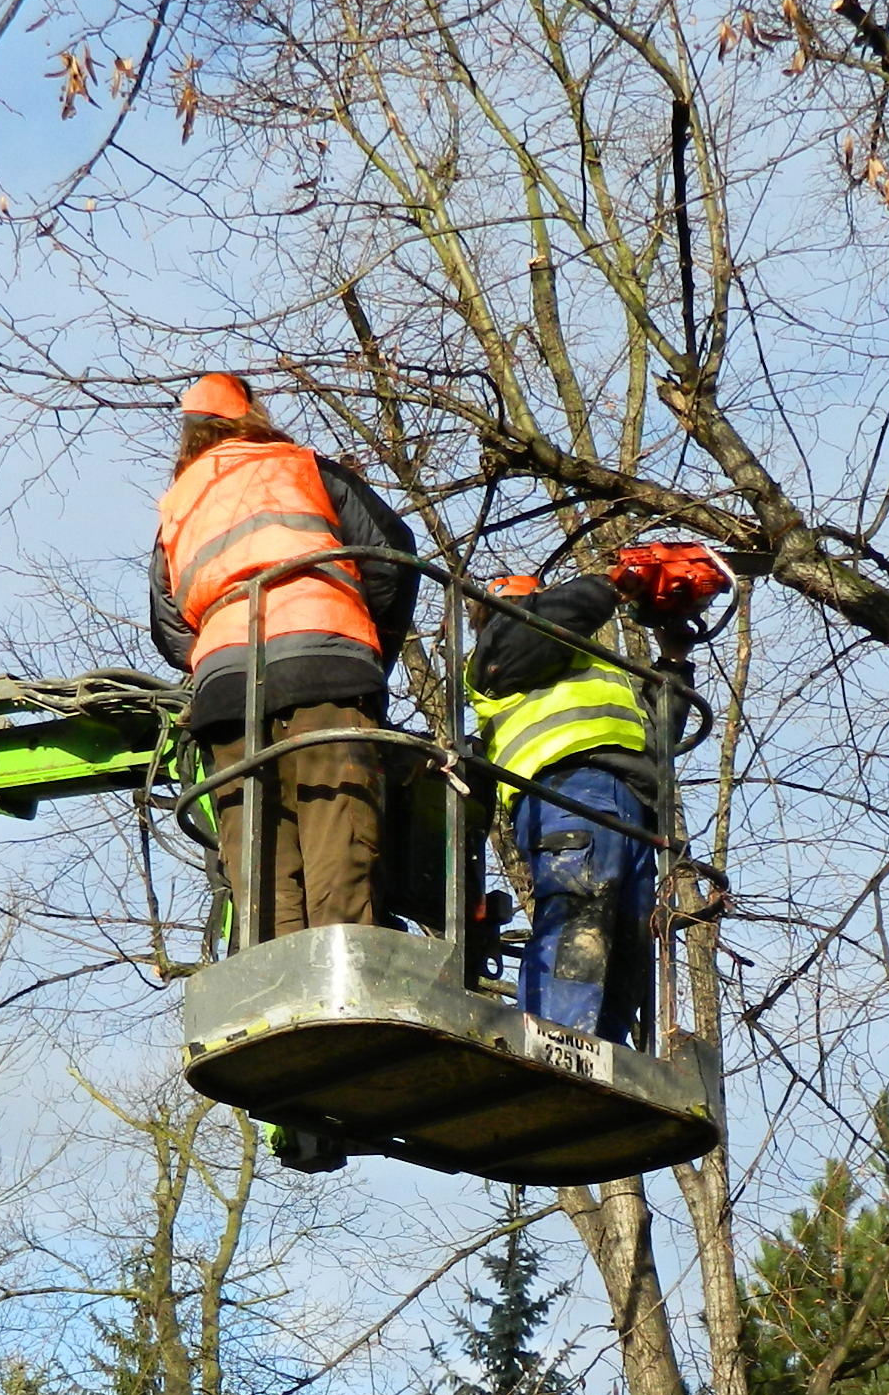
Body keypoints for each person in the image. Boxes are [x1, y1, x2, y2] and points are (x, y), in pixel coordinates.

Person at [150, 372, 420, 935]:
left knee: (258, 861)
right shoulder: (302, 467)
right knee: (338, 837)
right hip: (326, 665)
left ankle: (277, 996)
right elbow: (391, 554)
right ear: (250, 414)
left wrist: (217, 661)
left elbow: (169, 625)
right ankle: (345, 990)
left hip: (224, 690)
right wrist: (369, 648)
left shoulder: (177, 507)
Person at [467, 569, 659, 1044]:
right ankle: (554, 1043)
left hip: (630, 803)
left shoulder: (586, 662)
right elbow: (547, 622)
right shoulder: (499, 652)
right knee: (580, 919)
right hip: (568, 791)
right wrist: (612, 583)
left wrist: (674, 660)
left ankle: (602, 1058)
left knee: (629, 948)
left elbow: (655, 737)